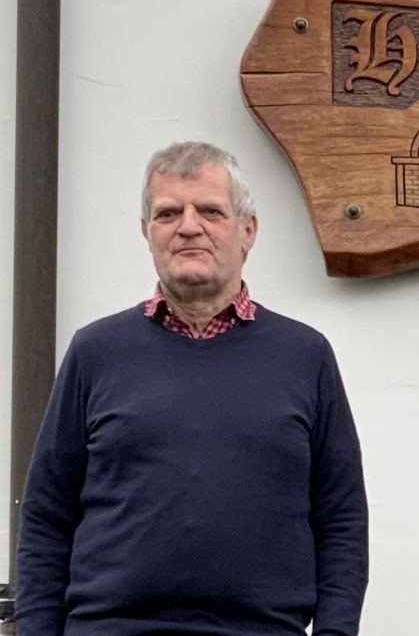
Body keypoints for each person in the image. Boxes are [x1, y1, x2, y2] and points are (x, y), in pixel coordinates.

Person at [16, 141, 369, 635]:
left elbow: (342, 520)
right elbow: (46, 517)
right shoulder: (94, 353)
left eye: (209, 211)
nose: (188, 226)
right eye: (167, 213)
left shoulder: (305, 357)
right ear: (147, 232)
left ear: (248, 231)